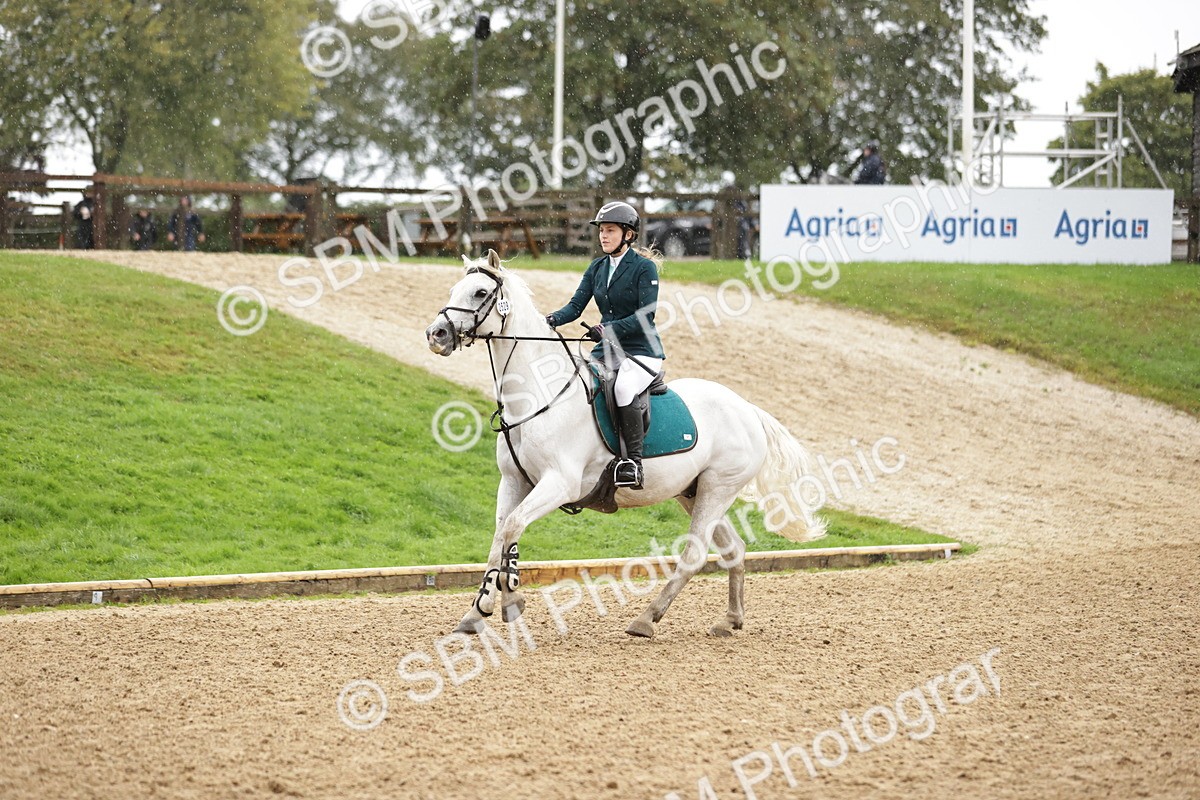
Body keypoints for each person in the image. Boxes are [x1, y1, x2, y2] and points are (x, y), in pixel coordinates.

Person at [545, 201, 665, 490]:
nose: (603, 236)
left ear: (628, 235)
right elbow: (575, 307)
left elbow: (645, 315)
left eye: (610, 231)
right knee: (582, 384)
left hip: (641, 351)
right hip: (607, 351)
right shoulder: (597, 267)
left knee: (623, 387)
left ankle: (632, 462)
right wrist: (547, 320)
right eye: (601, 231)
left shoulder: (644, 268)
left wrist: (609, 329)